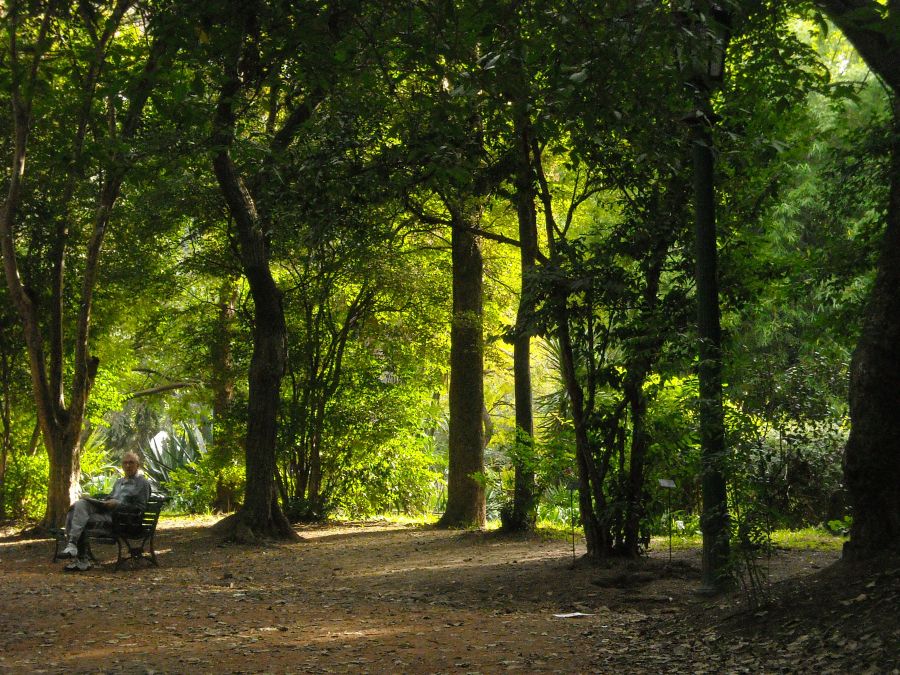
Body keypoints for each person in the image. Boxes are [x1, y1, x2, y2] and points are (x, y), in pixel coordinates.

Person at [59, 451, 152, 569]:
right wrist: (106, 501)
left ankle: (81, 559)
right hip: (108, 513)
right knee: (80, 505)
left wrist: (119, 504)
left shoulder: (142, 483)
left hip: (124, 520)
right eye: (125, 463)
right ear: (122, 466)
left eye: (131, 463)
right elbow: (111, 497)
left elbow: (140, 508)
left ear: (137, 465)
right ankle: (73, 546)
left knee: (79, 516)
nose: (128, 465)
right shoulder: (119, 482)